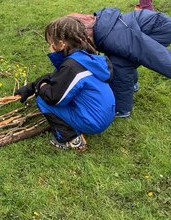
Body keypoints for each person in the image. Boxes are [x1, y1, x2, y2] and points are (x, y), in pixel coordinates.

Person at [15, 17, 115, 152]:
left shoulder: (71, 67)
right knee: (48, 90)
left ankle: (72, 140)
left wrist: (40, 87)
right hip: (105, 114)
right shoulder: (84, 58)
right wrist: (31, 87)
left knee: (43, 99)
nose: (49, 47)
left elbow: (54, 98)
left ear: (61, 44)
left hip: (94, 121)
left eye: (51, 43)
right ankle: (77, 124)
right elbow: (58, 78)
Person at [68, 8, 171, 118]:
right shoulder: (101, 27)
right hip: (150, 23)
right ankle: (132, 86)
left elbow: (158, 56)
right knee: (121, 58)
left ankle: (121, 109)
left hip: (161, 28)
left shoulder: (114, 37)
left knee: (120, 65)